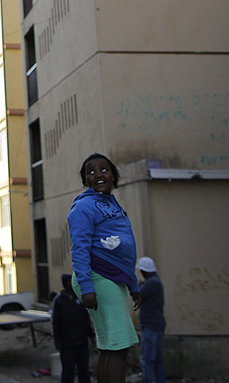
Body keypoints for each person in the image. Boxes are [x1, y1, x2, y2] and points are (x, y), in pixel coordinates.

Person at [68, 153, 140, 383]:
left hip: (112, 278)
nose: (98, 174)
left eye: (104, 169)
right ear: (85, 180)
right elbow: (79, 249)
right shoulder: (84, 207)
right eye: (91, 172)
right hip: (97, 277)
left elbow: (125, 250)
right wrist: (87, 286)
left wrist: (133, 284)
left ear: (113, 175)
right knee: (119, 346)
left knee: (110, 347)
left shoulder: (112, 204)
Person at [51, 273, 93, 383]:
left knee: (84, 371)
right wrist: (57, 340)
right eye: (70, 282)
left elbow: (86, 318)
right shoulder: (59, 301)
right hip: (67, 344)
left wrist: (90, 334)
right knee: (68, 372)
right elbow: (56, 322)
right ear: (65, 284)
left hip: (82, 342)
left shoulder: (80, 298)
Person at [136, 256, 166, 383]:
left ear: (145, 271)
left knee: (147, 360)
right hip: (156, 325)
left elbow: (137, 295)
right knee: (156, 360)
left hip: (151, 326)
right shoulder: (155, 281)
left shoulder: (152, 283)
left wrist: (136, 285)